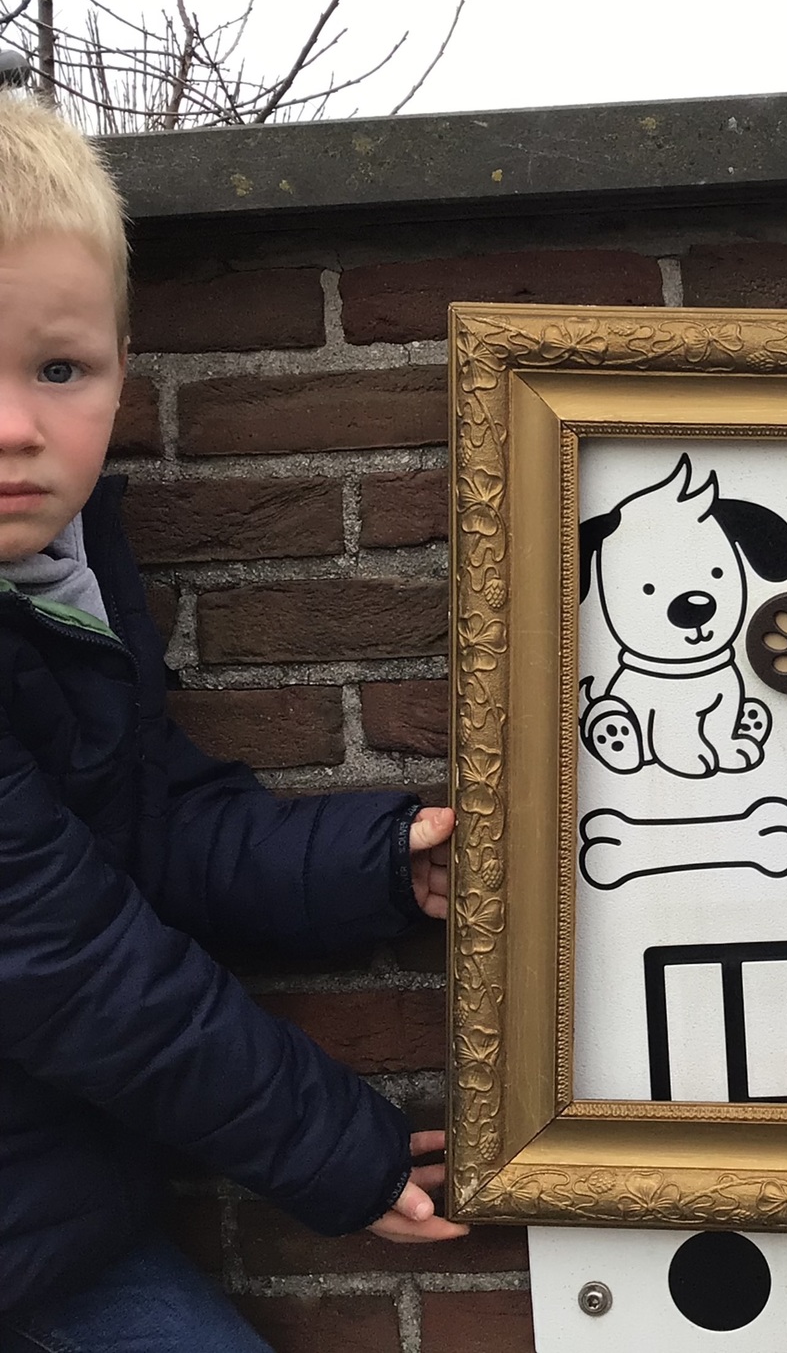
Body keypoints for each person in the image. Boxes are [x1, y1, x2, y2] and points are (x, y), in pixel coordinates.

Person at [0, 93, 467, 1353]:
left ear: (121, 365)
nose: (15, 429)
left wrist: (374, 860)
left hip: (45, 1216)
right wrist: (331, 1147)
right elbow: (63, 962)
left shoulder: (59, 565)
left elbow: (141, 826)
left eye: (58, 370)